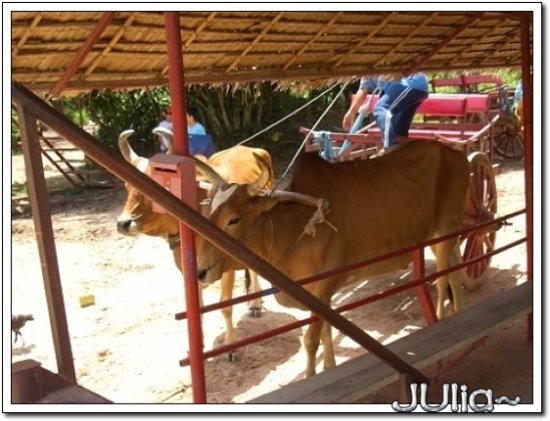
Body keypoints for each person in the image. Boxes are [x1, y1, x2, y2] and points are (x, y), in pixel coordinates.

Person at [341, 73, 429, 155]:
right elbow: (363, 90)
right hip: (420, 87)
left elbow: (363, 91)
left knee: (381, 109)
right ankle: (402, 151)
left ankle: (389, 146)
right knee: (399, 124)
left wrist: (351, 113)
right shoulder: (368, 72)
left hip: (408, 84)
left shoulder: (374, 64)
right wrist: (351, 112)